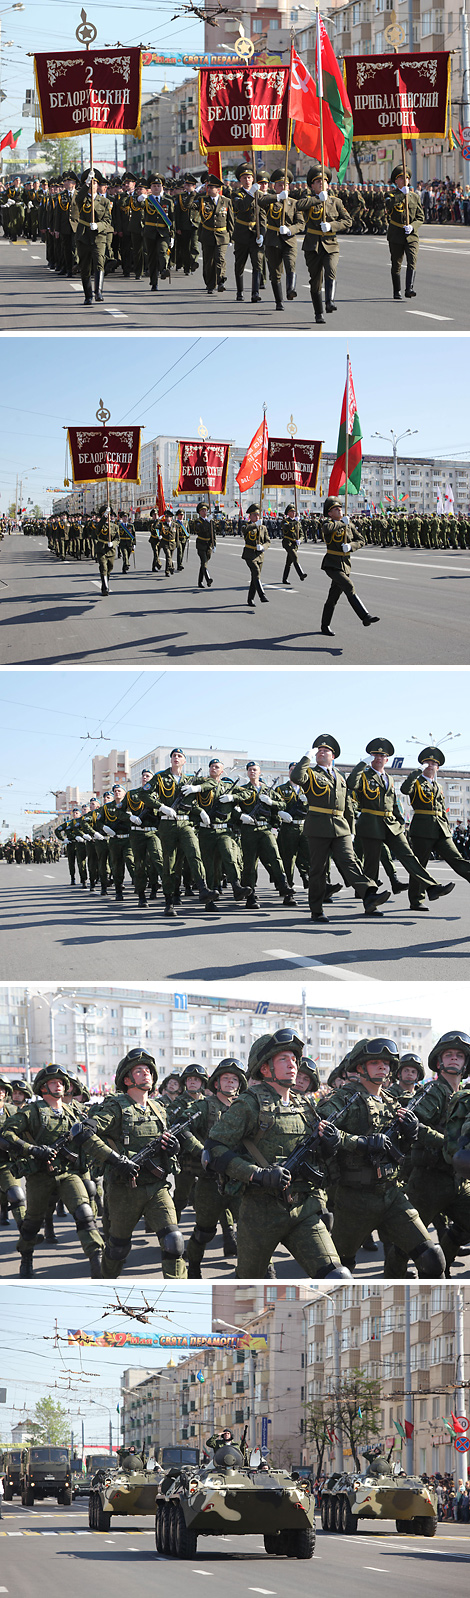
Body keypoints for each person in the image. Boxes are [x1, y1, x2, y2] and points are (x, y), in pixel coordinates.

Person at [206, 1029, 349, 1279]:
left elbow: (320, 1153)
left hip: (303, 1210)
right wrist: (257, 1175)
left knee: (338, 1277)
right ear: (264, 1068)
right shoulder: (248, 1104)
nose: (292, 1065)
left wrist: (330, 1142)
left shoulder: (303, 1104)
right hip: (260, 1212)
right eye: (283, 1059)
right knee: (248, 1283)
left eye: (294, 1059)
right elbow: (213, 1150)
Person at [325, 1037, 446, 1276]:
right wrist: (361, 1143)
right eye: (375, 1062)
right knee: (340, 1270)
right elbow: (322, 1131)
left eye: (386, 1063)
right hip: (354, 1199)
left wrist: (410, 1134)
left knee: (432, 1258)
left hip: (391, 1194)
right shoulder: (345, 1099)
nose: (383, 1066)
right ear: (360, 1067)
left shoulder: (393, 1102)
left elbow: (402, 1147)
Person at [82, 1048, 186, 1278]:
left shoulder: (159, 1108)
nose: (146, 1073)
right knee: (118, 1248)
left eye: (148, 1070)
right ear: (127, 1079)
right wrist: (116, 1160)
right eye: (139, 1070)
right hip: (124, 1190)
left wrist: (173, 1148)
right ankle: (105, 1282)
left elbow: (169, 1142)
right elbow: (84, 1133)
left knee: (174, 1243)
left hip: (157, 1187)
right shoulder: (116, 1106)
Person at [2, 1064, 103, 1278]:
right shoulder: (32, 1111)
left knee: (84, 1213)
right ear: (43, 1087)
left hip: (68, 1173)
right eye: (53, 1082)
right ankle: (26, 1257)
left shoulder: (73, 1110)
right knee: (31, 1224)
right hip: (40, 1175)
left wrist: (93, 1126)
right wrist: (32, 1149)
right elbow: (7, 1134)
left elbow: (94, 1123)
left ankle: (97, 1258)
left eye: (60, 1082)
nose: (58, 1085)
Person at [290, 735, 390, 921]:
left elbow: (348, 805)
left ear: (333, 755)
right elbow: (296, 777)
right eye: (318, 750)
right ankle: (317, 909)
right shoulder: (311, 773)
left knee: (350, 862)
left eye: (325, 750)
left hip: (341, 827)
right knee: (318, 870)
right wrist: (306, 758)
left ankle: (369, 896)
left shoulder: (340, 776)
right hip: (318, 827)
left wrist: (351, 830)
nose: (321, 752)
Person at [347, 738, 455, 908]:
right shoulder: (364, 776)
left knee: (409, 857)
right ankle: (370, 901)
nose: (378, 758)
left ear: (387, 759)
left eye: (382, 755)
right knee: (371, 864)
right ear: (370, 757)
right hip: (370, 824)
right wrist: (361, 765)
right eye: (375, 754)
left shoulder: (389, 778)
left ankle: (431, 887)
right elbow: (351, 784)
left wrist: (400, 823)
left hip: (391, 825)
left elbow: (393, 802)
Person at [182, 1058, 247, 1275]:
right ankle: (194, 1267)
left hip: (241, 1182)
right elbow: (181, 1128)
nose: (230, 1082)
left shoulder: (246, 1107)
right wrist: (202, 1152)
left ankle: (258, 1272)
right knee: (204, 1232)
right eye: (225, 1078)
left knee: (251, 1229)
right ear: (216, 1083)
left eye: (234, 1079)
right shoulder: (203, 1106)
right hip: (210, 1183)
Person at [401, 745, 470, 909]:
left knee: (456, 858)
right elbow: (405, 789)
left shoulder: (438, 786)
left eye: (433, 763)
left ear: (438, 767)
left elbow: (441, 809)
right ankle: (417, 899)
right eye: (427, 762)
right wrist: (416, 772)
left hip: (441, 830)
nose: (430, 765)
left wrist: (446, 827)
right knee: (420, 864)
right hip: (422, 830)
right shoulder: (416, 782)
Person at [233, 761, 297, 909]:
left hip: (266, 829)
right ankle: (251, 895)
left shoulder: (267, 790)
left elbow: (282, 805)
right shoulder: (242, 789)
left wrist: (271, 802)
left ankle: (284, 887)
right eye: (249, 770)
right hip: (249, 830)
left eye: (255, 769)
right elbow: (233, 807)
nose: (252, 772)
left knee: (275, 858)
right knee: (249, 864)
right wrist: (241, 815)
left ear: (260, 772)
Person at [320, 496, 379, 636]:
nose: (340, 510)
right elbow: (327, 529)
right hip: (332, 565)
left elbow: (361, 540)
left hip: (345, 565)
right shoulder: (328, 524)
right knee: (349, 586)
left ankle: (324, 625)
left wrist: (351, 546)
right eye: (336, 509)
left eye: (340, 508)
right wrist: (342, 523)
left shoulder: (349, 524)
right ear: (330, 513)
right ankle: (365, 616)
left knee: (333, 597)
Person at [300, 164, 351, 323]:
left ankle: (330, 301)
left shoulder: (336, 202)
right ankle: (318, 313)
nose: (321, 184)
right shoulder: (308, 201)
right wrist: (316, 199)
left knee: (331, 270)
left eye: (324, 181)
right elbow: (297, 206)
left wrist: (332, 226)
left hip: (330, 244)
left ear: (328, 184)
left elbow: (347, 221)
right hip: (312, 246)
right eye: (317, 181)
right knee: (315, 281)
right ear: (312, 185)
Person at [258, 168, 304, 310]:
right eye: (279, 185)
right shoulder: (271, 201)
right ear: (274, 187)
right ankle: (279, 301)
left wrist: (290, 230)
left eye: (285, 185)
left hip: (289, 240)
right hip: (273, 241)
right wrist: (277, 197)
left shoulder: (295, 203)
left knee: (290, 264)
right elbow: (261, 202)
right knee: (275, 273)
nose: (283, 187)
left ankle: (291, 290)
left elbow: (301, 224)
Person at [70, 168, 113, 305]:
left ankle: (98, 291)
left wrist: (99, 226)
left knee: (99, 261)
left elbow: (107, 221)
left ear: (98, 185)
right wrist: (86, 183)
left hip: (98, 237)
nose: (93, 185)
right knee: (85, 266)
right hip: (83, 236)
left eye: (95, 183)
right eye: (90, 183)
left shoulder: (104, 202)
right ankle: (88, 295)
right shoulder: (81, 198)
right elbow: (78, 199)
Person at [386, 164, 424, 300]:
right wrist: (402, 195)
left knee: (412, 260)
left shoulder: (414, 197)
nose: (405, 181)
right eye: (401, 178)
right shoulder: (390, 195)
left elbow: (421, 217)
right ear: (396, 181)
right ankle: (397, 290)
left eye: (407, 178)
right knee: (396, 263)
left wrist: (413, 226)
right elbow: (389, 207)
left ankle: (410, 288)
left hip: (411, 235)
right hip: (396, 234)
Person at [232, 163, 263, 303]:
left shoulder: (259, 194)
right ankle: (240, 291)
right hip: (242, 234)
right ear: (240, 180)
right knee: (240, 263)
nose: (247, 180)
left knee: (257, 263)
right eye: (244, 178)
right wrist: (251, 194)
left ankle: (255, 292)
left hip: (255, 233)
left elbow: (262, 215)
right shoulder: (236, 194)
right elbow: (242, 207)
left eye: (249, 177)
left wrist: (262, 233)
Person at [241, 502, 270, 606]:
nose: (257, 517)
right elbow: (244, 531)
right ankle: (262, 595)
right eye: (254, 515)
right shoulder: (246, 525)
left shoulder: (263, 528)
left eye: (258, 515)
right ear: (250, 516)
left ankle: (250, 599)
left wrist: (263, 547)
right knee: (256, 572)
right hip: (249, 554)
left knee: (255, 577)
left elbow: (268, 541)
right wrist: (254, 525)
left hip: (260, 555)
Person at [190, 501, 216, 588]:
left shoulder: (210, 521)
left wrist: (214, 544)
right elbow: (200, 530)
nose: (205, 512)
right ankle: (208, 579)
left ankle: (200, 582)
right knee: (204, 562)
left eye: (206, 510)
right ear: (199, 512)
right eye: (203, 510)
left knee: (203, 564)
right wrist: (207, 521)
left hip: (208, 545)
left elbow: (213, 533)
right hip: (201, 544)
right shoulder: (198, 521)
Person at [280, 503, 307, 584]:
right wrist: (295, 521)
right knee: (294, 557)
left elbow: (302, 534)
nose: (293, 513)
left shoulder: (297, 522)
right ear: (288, 513)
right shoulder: (285, 521)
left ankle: (284, 579)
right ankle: (301, 574)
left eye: (294, 512)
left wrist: (300, 540)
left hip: (295, 544)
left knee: (289, 562)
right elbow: (286, 527)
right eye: (291, 512)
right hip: (287, 543)